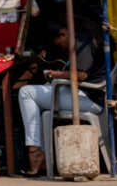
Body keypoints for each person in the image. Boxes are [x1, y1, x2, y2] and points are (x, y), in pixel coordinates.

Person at [18, 21, 104, 175]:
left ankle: (35, 152)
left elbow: (81, 74)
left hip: (89, 98)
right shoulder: (80, 41)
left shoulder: (82, 42)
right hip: (82, 94)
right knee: (41, 104)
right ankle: (43, 157)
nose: (60, 47)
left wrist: (54, 74)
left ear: (63, 33)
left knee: (26, 93)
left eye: (58, 43)